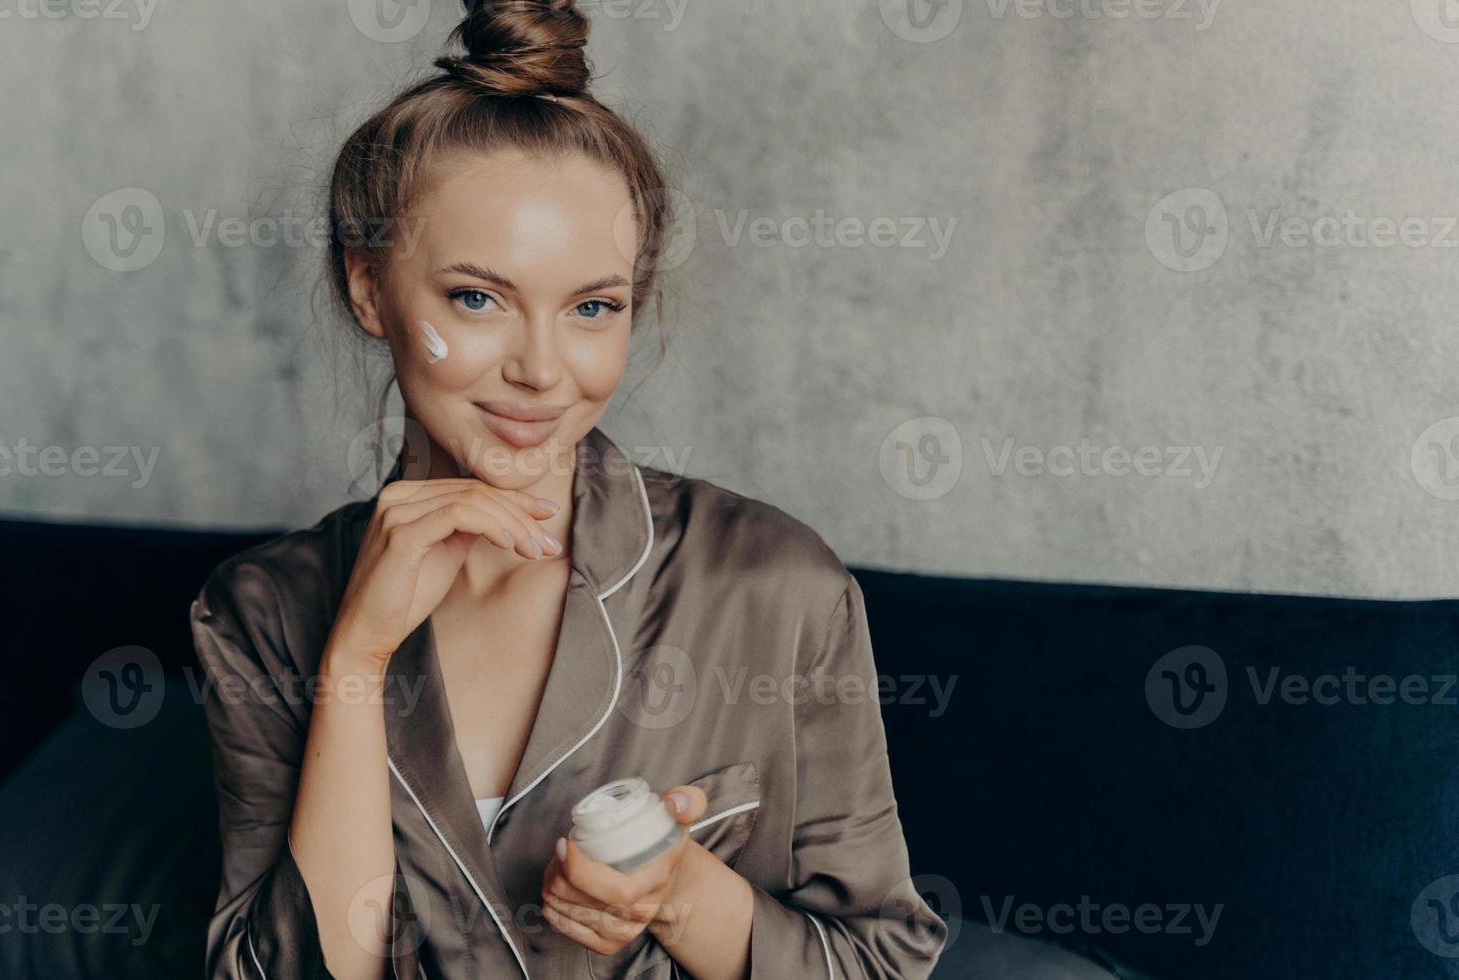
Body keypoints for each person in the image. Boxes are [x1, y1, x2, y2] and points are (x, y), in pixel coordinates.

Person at [189, 1, 948, 977]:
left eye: (593, 307)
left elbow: (881, 961)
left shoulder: (775, 584)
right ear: (369, 287)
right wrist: (356, 658)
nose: (542, 369)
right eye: (477, 297)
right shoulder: (263, 611)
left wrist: (681, 893)